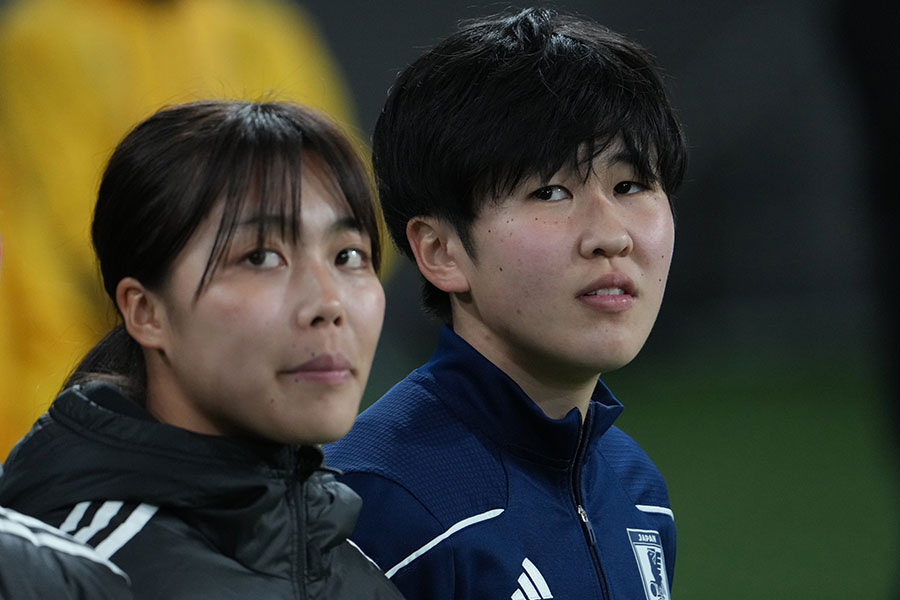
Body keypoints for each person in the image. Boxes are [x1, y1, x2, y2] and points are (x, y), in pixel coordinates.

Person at [325, 8, 687, 600]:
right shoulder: (372, 508)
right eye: (550, 191)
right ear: (440, 251)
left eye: (630, 186)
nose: (612, 234)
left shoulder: (635, 488)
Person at [0, 100, 403, 599]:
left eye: (348, 256)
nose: (328, 302)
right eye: (260, 257)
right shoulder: (63, 577)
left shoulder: (361, 573)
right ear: (146, 312)